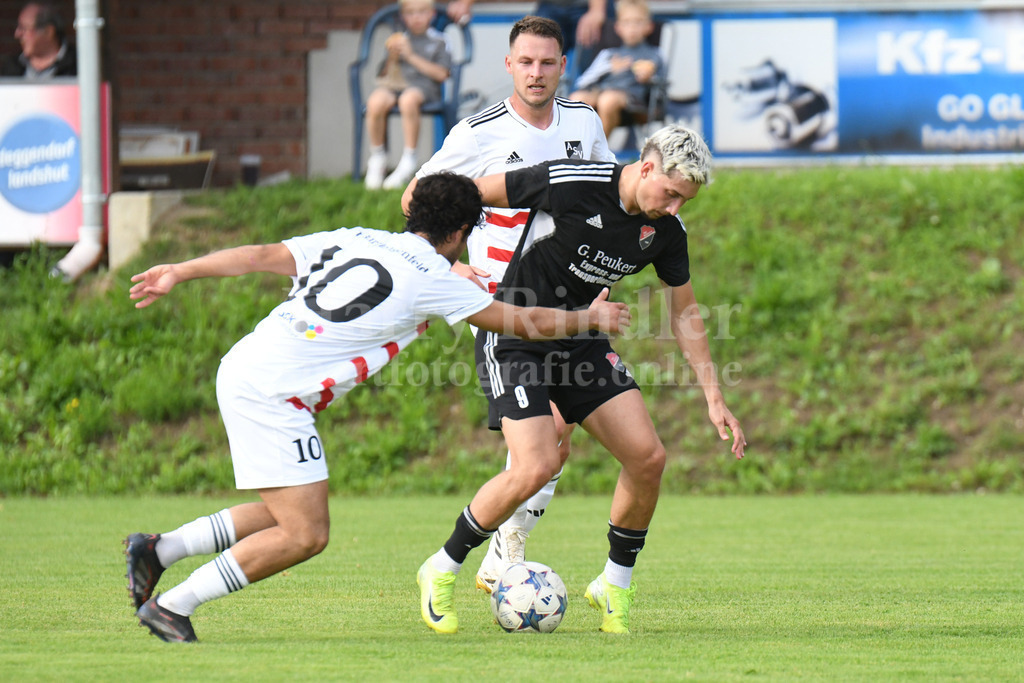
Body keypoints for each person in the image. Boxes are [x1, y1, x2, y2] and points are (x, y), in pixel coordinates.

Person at [122, 172, 629, 643]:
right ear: (460, 232)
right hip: (275, 395)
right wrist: (589, 315)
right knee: (305, 533)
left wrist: (180, 270)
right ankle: (172, 606)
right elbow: (520, 321)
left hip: (248, 365)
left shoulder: (357, 237)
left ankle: (159, 550)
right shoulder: (435, 278)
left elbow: (258, 255)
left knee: (289, 509)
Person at [416, 125, 746, 635]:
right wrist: (449, 264)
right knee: (539, 461)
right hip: (516, 333)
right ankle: (442, 566)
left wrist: (713, 395)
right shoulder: (574, 181)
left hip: (581, 342)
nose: (676, 208)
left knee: (648, 457)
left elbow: (684, 311)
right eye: (673, 193)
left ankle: (613, 585)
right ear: (648, 165)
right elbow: (465, 194)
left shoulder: (665, 232)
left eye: (687, 201)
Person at [401, 15, 616, 595]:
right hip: (509, 304)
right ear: (508, 65)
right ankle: (491, 547)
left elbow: (605, 192)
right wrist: (448, 264)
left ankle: (505, 546)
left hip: (571, 299)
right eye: (526, 62)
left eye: (548, 62)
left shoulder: (585, 121)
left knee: (560, 436)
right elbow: (415, 198)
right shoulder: (479, 133)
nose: (537, 73)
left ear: (563, 65)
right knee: (542, 439)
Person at [364, 0, 453, 190]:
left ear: (432, 14)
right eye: (411, 13)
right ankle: (378, 156)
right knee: (375, 101)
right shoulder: (399, 38)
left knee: (408, 99)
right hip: (395, 86)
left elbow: (442, 74)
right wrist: (392, 57)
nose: (416, 18)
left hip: (425, 89)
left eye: (421, 12)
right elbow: (381, 76)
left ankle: (409, 158)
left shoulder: (440, 41)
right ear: (403, 17)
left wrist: (411, 55)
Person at [569, 0, 663, 138]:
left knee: (607, 100)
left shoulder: (654, 55)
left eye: (638, 22)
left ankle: (597, 151)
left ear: (649, 26)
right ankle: (575, 147)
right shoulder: (609, 54)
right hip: (600, 91)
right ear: (618, 27)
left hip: (634, 100)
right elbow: (583, 81)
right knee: (576, 98)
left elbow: (661, 85)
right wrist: (609, 67)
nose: (632, 28)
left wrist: (648, 77)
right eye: (627, 22)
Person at [446, 0, 611, 78]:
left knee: (593, 72)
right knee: (532, 48)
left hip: (588, 6)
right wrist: (465, 2)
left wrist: (596, 10)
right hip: (551, 5)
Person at [0, 2, 76, 78]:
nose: (17, 34)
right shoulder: (11, 67)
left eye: (23, 28)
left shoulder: (78, 65)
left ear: (48, 32)